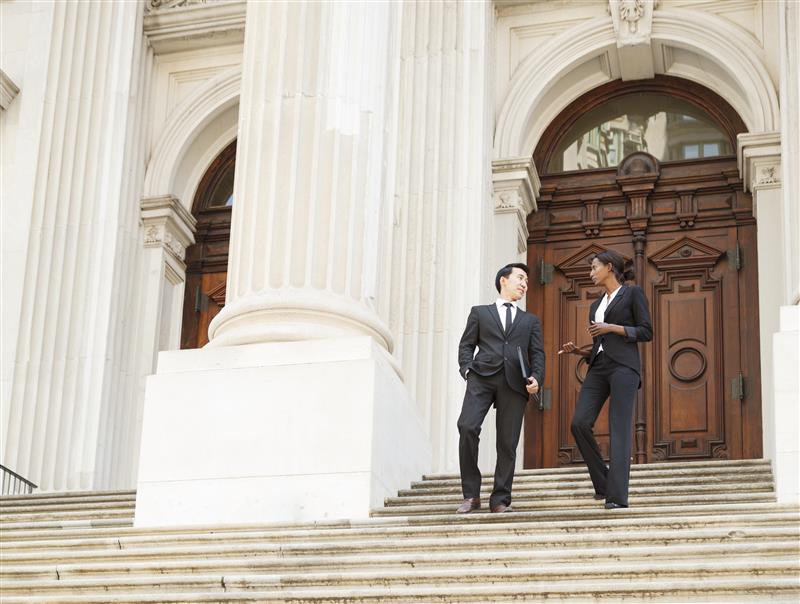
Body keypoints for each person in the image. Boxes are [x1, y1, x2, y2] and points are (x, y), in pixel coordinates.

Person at [559, 249, 652, 509]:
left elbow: (646, 331)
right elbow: (600, 343)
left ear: (609, 267)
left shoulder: (632, 293)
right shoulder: (595, 305)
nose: (590, 273)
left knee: (619, 429)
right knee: (579, 423)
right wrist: (579, 351)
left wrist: (611, 328)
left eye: (594, 268)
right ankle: (603, 483)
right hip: (598, 367)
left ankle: (616, 497)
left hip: (624, 367)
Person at [456, 263, 545, 513]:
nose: (524, 284)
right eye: (520, 278)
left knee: (507, 443)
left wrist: (537, 377)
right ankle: (471, 495)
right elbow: (466, 345)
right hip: (481, 377)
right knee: (467, 427)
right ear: (503, 280)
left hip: (515, 383)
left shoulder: (530, 320)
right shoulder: (480, 313)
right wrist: (467, 368)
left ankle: (500, 499)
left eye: (527, 281)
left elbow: (537, 352)